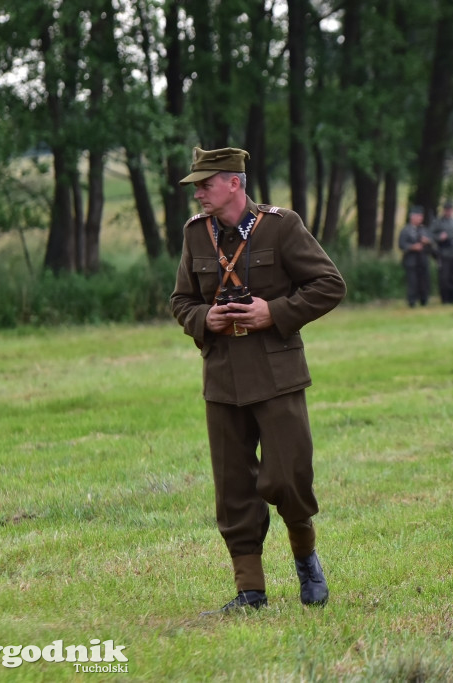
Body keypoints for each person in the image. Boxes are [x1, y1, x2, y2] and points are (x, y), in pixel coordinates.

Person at [170, 147, 346, 614]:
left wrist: (275, 312)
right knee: (232, 489)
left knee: (288, 477)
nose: (199, 193)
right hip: (223, 378)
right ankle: (250, 590)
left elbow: (329, 284)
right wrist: (206, 319)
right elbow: (181, 301)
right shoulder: (195, 235)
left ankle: (306, 559)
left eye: (206, 184)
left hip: (277, 374)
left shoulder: (280, 225)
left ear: (234, 183)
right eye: (197, 186)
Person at [398, 205, 435, 307]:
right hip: (411, 261)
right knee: (412, 282)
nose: (420, 218)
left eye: (421, 216)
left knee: (424, 281)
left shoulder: (424, 230)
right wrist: (412, 247)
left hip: (423, 260)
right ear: (412, 217)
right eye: (418, 216)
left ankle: (424, 300)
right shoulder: (406, 230)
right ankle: (412, 301)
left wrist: (427, 241)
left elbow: (432, 242)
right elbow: (401, 244)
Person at [431, 199, 453, 304]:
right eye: (447, 210)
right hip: (444, 252)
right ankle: (445, 299)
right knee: (444, 278)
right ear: (444, 211)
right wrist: (439, 237)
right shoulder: (438, 222)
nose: (449, 212)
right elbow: (430, 236)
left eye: (451, 210)